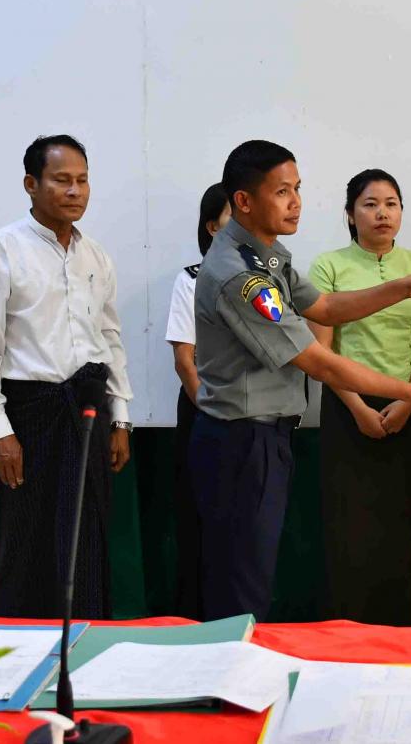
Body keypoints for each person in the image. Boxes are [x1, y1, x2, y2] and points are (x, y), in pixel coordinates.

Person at [190, 140, 411, 621]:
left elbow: (327, 307)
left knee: (252, 574)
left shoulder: (267, 256)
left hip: (265, 436)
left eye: (297, 189)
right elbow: (318, 360)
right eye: (281, 192)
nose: (295, 202)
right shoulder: (240, 276)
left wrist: (405, 286)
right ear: (244, 201)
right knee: (241, 585)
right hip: (242, 440)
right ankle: (230, 666)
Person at [0, 134, 134, 619]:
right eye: (61, 180)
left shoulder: (95, 256)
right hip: (30, 415)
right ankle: (25, 648)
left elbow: (110, 338)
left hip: (89, 412)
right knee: (28, 544)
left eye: (82, 180)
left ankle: (85, 640)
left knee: (87, 537)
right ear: (30, 184)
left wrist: (120, 418)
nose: (75, 191)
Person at [310, 170, 411, 625]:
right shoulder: (328, 266)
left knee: (401, 526)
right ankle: (346, 630)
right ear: (350, 214)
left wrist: (409, 401)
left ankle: (400, 630)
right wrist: (358, 407)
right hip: (347, 405)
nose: (382, 213)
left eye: (391, 203)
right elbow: (322, 351)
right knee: (348, 528)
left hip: (406, 406)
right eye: (369, 204)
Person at [163, 182, 231, 619]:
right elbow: (184, 360)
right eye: (232, 218)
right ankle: (194, 620)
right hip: (206, 411)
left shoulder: (269, 278)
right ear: (212, 227)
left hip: (253, 415)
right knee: (199, 521)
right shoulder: (191, 279)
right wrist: (213, 413)